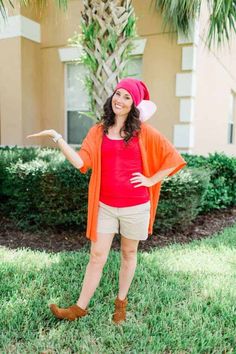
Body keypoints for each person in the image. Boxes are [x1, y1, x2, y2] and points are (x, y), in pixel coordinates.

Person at [27, 77, 186, 324]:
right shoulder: (98, 131)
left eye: (126, 97)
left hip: (136, 206)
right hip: (105, 207)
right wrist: (58, 138)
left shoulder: (144, 133)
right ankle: (79, 308)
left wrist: (151, 179)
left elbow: (173, 158)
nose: (119, 100)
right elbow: (81, 163)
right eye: (117, 94)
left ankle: (120, 303)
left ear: (134, 104)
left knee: (128, 253)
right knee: (97, 256)